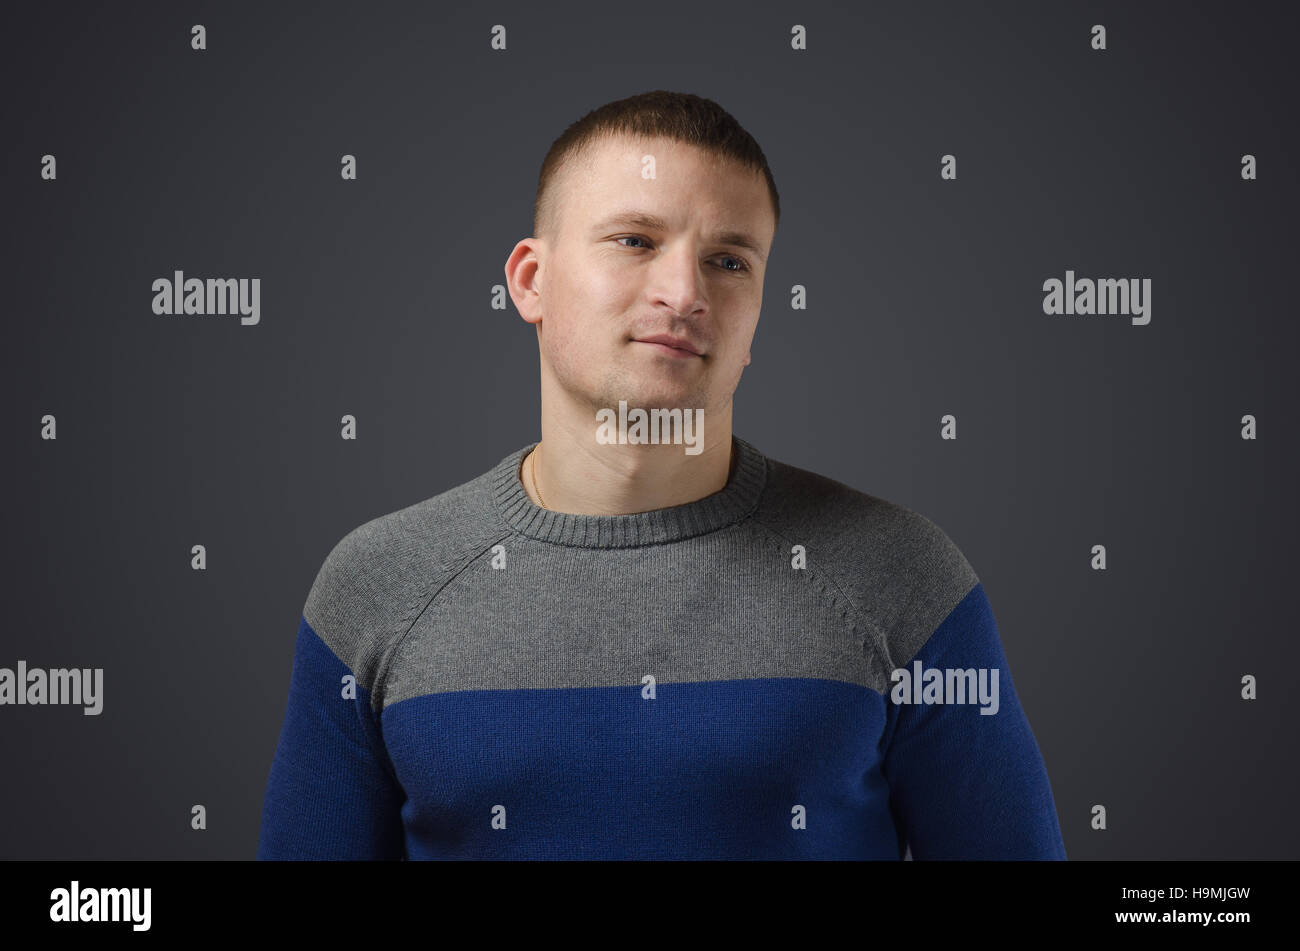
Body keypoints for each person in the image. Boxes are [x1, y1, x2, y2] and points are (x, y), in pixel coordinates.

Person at [257, 90, 1067, 860]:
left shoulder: (903, 577)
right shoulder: (377, 587)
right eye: (635, 241)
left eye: (728, 260)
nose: (684, 293)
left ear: (757, 318)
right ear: (531, 281)